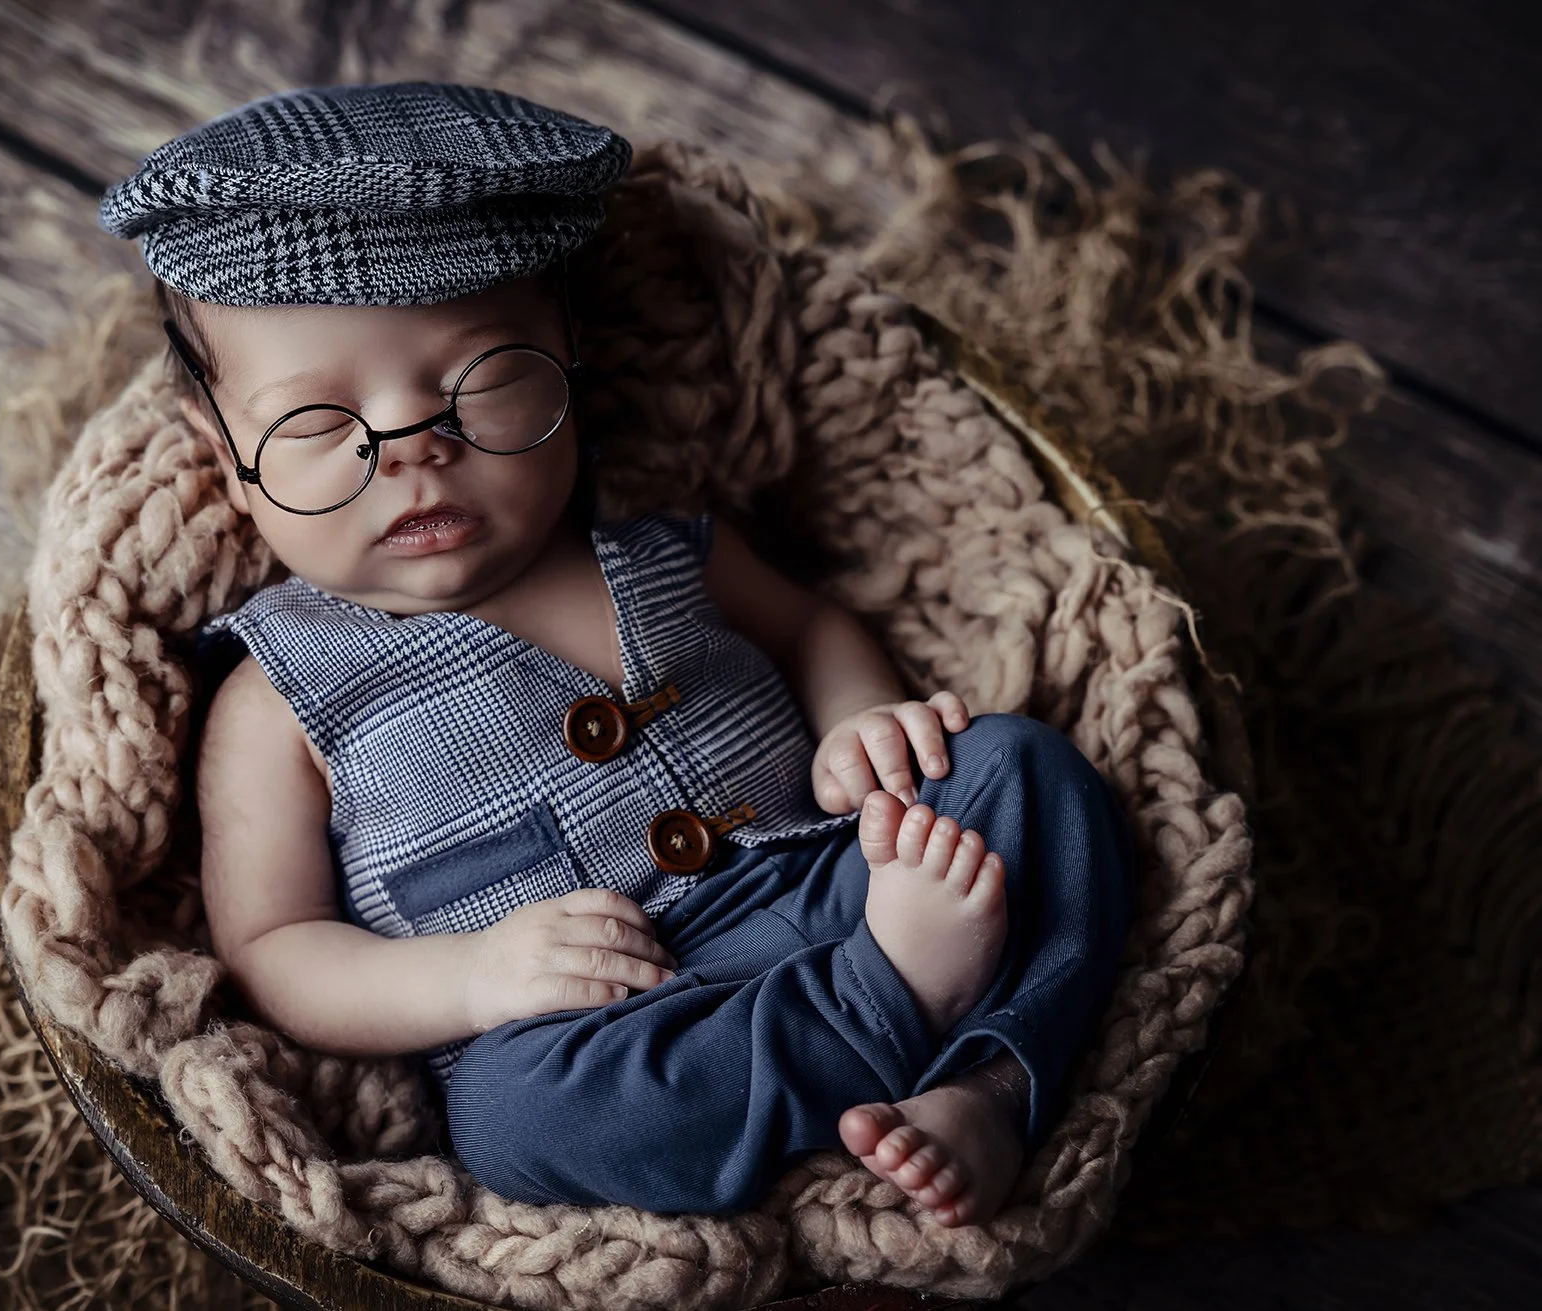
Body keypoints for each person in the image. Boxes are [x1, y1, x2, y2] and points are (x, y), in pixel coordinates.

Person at [98, 82, 1135, 1224]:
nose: (416, 454)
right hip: (616, 1021)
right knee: (514, 1120)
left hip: (845, 880)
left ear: (570, 357)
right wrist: (472, 974)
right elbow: (274, 948)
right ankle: (906, 1009)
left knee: (1021, 767)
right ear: (221, 447)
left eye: (480, 385)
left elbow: (812, 627)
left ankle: (993, 1082)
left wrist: (858, 724)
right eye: (319, 427)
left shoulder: (668, 549)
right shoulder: (279, 697)